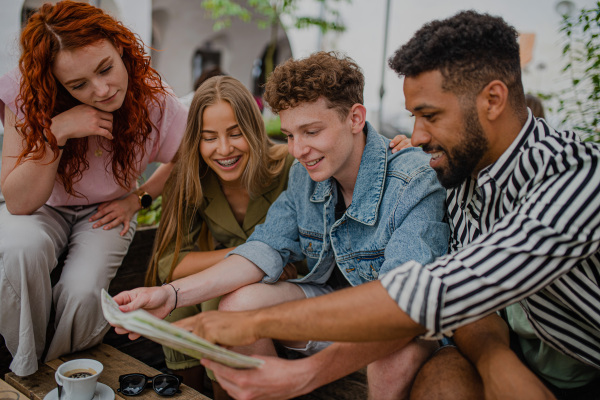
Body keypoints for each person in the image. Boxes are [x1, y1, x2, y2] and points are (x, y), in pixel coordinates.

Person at [182, 11, 600, 400]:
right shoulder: (463, 174)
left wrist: (257, 328)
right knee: (442, 382)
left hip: (582, 368)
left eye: (430, 115)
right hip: (502, 346)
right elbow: (470, 296)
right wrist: (495, 358)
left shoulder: (575, 180)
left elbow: (423, 294)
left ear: (492, 100)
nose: (416, 136)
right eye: (413, 118)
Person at [114, 51, 449, 399]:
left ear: (355, 117)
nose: (298, 150)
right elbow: (264, 248)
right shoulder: (307, 177)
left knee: (392, 355)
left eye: (311, 131)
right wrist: (169, 294)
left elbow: (404, 307)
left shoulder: (414, 181)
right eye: (289, 135)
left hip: (403, 325)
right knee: (237, 305)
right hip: (334, 304)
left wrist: (302, 374)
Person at [0, 1, 187, 376]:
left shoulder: (153, 97)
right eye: (77, 84)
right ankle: (26, 369)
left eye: (105, 69)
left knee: (85, 291)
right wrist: (58, 132)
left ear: (119, 46)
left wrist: (140, 197)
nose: (102, 90)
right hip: (42, 206)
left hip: (107, 208)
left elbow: (185, 157)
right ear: (55, 83)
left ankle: (65, 372)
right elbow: (18, 202)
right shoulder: (27, 96)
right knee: (20, 248)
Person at [145, 75, 296, 395]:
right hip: (241, 275)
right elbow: (169, 263)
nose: (224, 149)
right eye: (209, 137)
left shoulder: (289, 167)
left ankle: (226, 390)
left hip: (287, 288)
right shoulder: (193, 177)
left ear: (253, 130)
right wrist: (248, 255)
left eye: (235, 133)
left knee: (218, 298)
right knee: (178, 306)